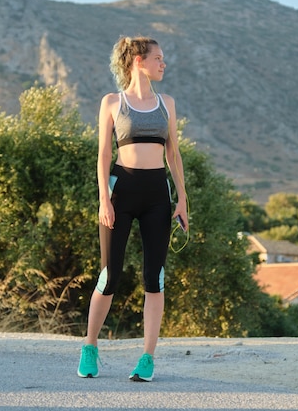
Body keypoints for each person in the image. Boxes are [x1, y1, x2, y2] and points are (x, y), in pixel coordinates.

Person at [77, 36, 188, 382]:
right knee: (110, 276)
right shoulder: (112, 102)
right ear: (138, 61)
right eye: (158, 58)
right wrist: (103, 199)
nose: (163, 63)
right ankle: (90, 347)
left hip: (157, 193)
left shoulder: (166, 103)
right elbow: (104, 155)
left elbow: (173, 154)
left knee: (154, 278)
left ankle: (147, 358)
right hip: (120, 192)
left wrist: (182, 199)